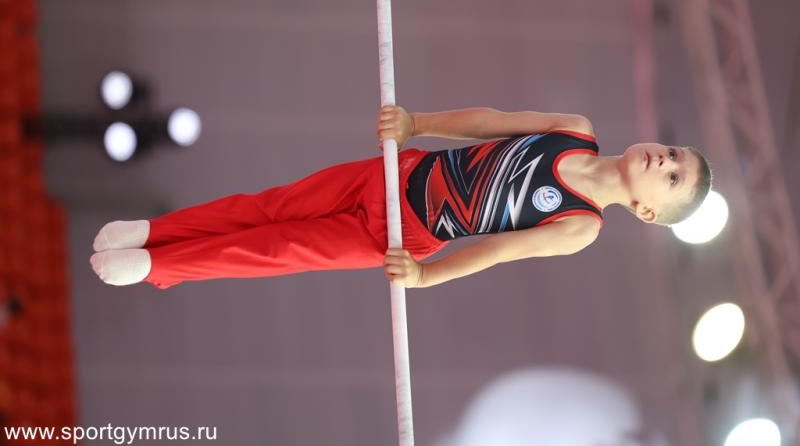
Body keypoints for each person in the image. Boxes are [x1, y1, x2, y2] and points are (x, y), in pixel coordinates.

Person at [90, 105, 712, 290]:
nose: (665, 160)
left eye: (672, 177)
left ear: (647, 212)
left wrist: (425, 275)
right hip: (395, 172)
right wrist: (419, 124)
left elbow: (496, 250)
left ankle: (159, 265)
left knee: (276, 250)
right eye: (673, 154)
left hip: (400, 235)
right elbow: (491, 123)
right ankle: (152, 233)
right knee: (269, 206)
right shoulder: (574, 130)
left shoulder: (581, 227)